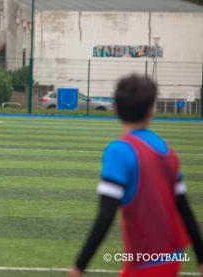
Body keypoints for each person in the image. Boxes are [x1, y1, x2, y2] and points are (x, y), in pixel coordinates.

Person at [69, 74, 203, 277]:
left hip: (145, 260)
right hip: (172, 255)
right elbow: (184, 208)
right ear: (151, 110)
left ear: (116, 109)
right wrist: (201, 257)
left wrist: (79, 266)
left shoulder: (119, 151)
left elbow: (106, 215)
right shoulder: (167, 150)